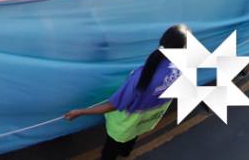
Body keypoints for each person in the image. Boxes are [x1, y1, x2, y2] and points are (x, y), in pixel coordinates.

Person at [64, 24, 190, 160]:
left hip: (127, 121)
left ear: (163, 41)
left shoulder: (141, 78)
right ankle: (126, 152)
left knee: (112, 147)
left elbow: (113, 105)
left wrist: (81, 112)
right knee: (133, 134)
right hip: (149, 117)